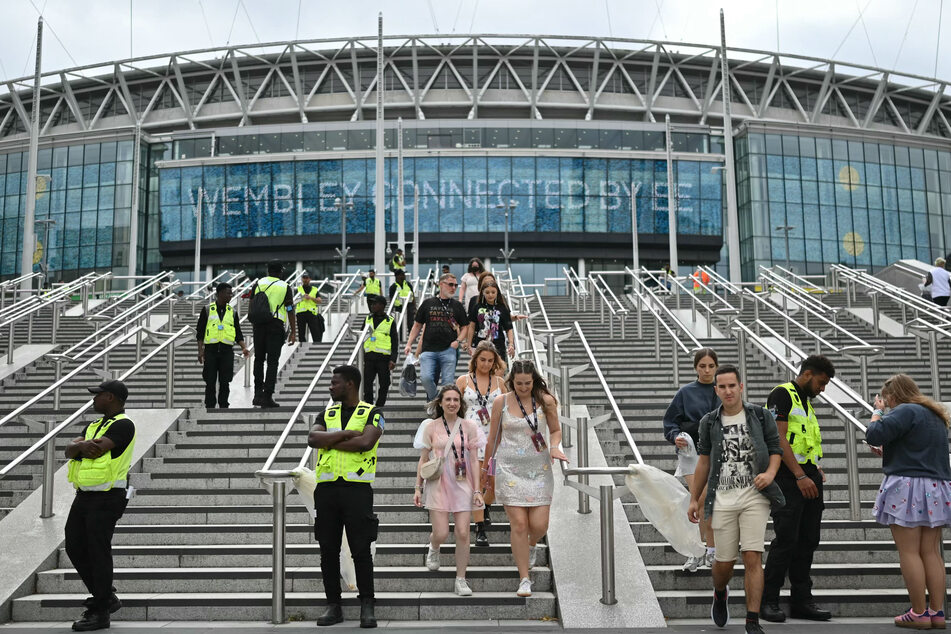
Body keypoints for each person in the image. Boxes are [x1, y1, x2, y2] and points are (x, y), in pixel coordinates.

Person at [688, 365, 784, 634]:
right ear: (716, 390)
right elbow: (704, 462)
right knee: (724, 563)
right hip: (722, 498)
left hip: (755, 496)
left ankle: (752, 621)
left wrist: (770, 473)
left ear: (741, 387)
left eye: (733, 385)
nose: (728, 391)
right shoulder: (709, 422)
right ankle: (720, 592)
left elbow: (775, 449)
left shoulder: (760, 416)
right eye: (723, 387)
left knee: (752, 555)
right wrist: (694, 498)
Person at [866, 374, 951, 629]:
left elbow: (874, 434)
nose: (887, 403)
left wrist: (876, 413)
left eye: (887, 399)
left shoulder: (903, 410)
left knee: (909, 551)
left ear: (893, 395)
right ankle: (937, 612)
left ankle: (918, 612)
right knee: (931, 552)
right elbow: (916, 446)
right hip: (936, 486)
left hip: (907, 486)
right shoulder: (933, 414)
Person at [481, 359, 567, 598]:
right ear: (512, 381)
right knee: (518, 524)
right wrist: (486, 469)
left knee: (539, 526)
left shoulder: (545, 400)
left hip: (539, 468)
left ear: (534, 380)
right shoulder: (501, 401)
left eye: (527, 383)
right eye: (518, 383)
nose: (523, 387)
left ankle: (531, 545)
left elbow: (556, 430)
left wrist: (554, 446)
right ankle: (524, 579)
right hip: (509, 469)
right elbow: (493, 437)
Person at [307, 365, 384, 628]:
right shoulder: (325, 413)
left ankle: (367, 605)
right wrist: (344, 434)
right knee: (327, 550)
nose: (331, 387)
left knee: (361, 549)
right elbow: (312, 439)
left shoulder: (372, 413)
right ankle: (333, 605)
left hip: (357, 490)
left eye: (334, 383)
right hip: (327, 490)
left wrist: (330, 440)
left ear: (350, 384)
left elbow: (365, 443)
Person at [761, 355, 835, 623]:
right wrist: (800, 474)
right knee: (786, 540)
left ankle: (802, 600)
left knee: (808, 540)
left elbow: (803, 441)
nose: (822, 389)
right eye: (821, 382)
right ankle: (767, 600)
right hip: (788, 477)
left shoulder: (806, 402)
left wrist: (814, 469)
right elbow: (778, 438)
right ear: (807, 374)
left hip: (808, 474)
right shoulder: (783, 394)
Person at [64, 380, 136, 632]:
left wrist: (79, 447)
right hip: (84, 494)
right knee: (74, 545)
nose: (93, 400)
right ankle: (106, 597)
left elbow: (94, 450)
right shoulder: (94, 425)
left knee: (98, 550)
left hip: (108, 496)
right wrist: (79, 446)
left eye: (97, 396)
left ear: (111, 397)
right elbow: (68, 450)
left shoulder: (124, 425)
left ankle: (101, 611)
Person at [413, 384, 486, 596]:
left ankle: (461, 579)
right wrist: (418, 488)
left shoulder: (470, 426)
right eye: (448, 400)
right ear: (440, 402)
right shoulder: (431, 426)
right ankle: (434, 547)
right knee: (442, 533)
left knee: (463, 532)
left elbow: (474, 460)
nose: (452, 403)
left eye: (456, 400)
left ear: (460, 403)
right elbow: (423, 459)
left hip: (463, 482)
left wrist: (477, 490)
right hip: (438, 483)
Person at [662, 347, 720, 572]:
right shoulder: (685, 392)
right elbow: (670, 422)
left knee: (704, 501)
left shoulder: (722, 389)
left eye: (711, 366)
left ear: (716, 367)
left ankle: (703, 551)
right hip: (691, 451)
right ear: (696, 367)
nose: (706, 370)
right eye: (702, 366)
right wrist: (675, 436)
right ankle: (702, 551)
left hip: (717, 452)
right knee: (700, 500)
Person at [456, 341, 506, 547]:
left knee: (491, 484)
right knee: (475, 484)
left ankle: (484, 509)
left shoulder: (500, 382)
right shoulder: (463, 380)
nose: (485, 364)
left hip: (494, 441)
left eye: (490, 361)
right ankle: (480, 528)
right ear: (475, 359)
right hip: (470, 441)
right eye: (482, 360)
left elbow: (508, 410)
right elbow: (453, 408)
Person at [403, 273, 470, 400]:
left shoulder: (457, 305)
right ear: (441, 284)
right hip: (428, 349)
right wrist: (409, 343)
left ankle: (441, 407)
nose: (453, 288)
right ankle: (436, 401)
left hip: (448, 349)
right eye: (450, 284)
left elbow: (465, 327)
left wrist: (458, 340)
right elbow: (417, 325)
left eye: (455, 285)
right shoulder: (428, 303)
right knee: (426, 378)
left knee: (447, 383)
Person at [196, 282, 250, 409]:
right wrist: (200, 351)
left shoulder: (233, 312)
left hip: (227, 351)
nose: (231, 295)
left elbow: (238, 332)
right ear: (219, 293)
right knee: (210, 380)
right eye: (228, 293)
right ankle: (209, 405)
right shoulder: (207, 310)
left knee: (225, 381)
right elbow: (200, 332)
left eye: (231, 293)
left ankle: (223, 405)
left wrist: (243, 347)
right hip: (211, 350)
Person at [252, 261, 296, 408]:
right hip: (275, 326)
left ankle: (257, 393)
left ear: (268, 271)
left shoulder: (258, 283)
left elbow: (252, 304)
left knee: (258, 359)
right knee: (272, 361)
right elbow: (289, 308)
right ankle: (267, 395)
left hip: (258, 325)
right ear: (281, 272)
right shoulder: (284, 286)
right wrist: (294, 331)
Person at [466, 278, 516, 363]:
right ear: (483, 293)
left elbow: (509, 328)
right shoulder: (477, 307)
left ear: (497, 293)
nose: (490, 295)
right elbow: (472, 326)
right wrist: (469, 344)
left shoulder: (502, 307)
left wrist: (511, 344)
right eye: (487, 292)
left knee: (498, 370)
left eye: (493, 292)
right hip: (481, 344)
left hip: (498, 344)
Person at [362, 295, 398, 407]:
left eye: (375, 303)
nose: (372, 305)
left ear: (382, 306)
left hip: (383, 358)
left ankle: (379, 405)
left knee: (385, 383)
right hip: (369, 357)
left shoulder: (390, 321)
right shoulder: (367, 319)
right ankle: (368, 404)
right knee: (367, 383)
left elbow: (395, 341)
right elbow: (361, 336)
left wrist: (393, 359)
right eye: (371, 303)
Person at [295, 271, 325, 343]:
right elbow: (293, 301)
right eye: (304, 278)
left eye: (307, 278)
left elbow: (319, 301)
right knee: (301, 333)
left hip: (312, 313)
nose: (305, 279)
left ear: (310, 279)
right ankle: (302, 345)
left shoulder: (314, 289)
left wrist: (311, 298)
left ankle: (317, 346)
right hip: (301, 313)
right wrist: (302, 298)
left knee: (316, 332)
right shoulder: (298, 289)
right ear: (302, 279)